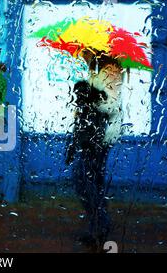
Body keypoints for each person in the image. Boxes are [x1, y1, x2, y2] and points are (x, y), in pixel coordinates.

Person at [65, 55, 124, 252]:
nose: (85, 54)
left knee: (85, 181)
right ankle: (97, 227)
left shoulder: (110, 71)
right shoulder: (100, 73)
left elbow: (107, 105)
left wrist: (89, 90)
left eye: (88, 52)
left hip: (97, 138)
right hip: (93, 137)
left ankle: (100, 225)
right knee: (91, 183)